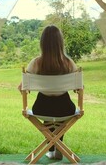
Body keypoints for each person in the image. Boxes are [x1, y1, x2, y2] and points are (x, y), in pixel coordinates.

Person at [18, 25, 77, 160]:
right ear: (60, 42)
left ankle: (52, 149)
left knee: (49, 115)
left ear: (42, 43)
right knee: (59, 117)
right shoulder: (69, 63)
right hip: (66, 108)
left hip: (41, 108)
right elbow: (80, 87)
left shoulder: (35, 63)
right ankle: (58, 147)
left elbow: (22, 88)